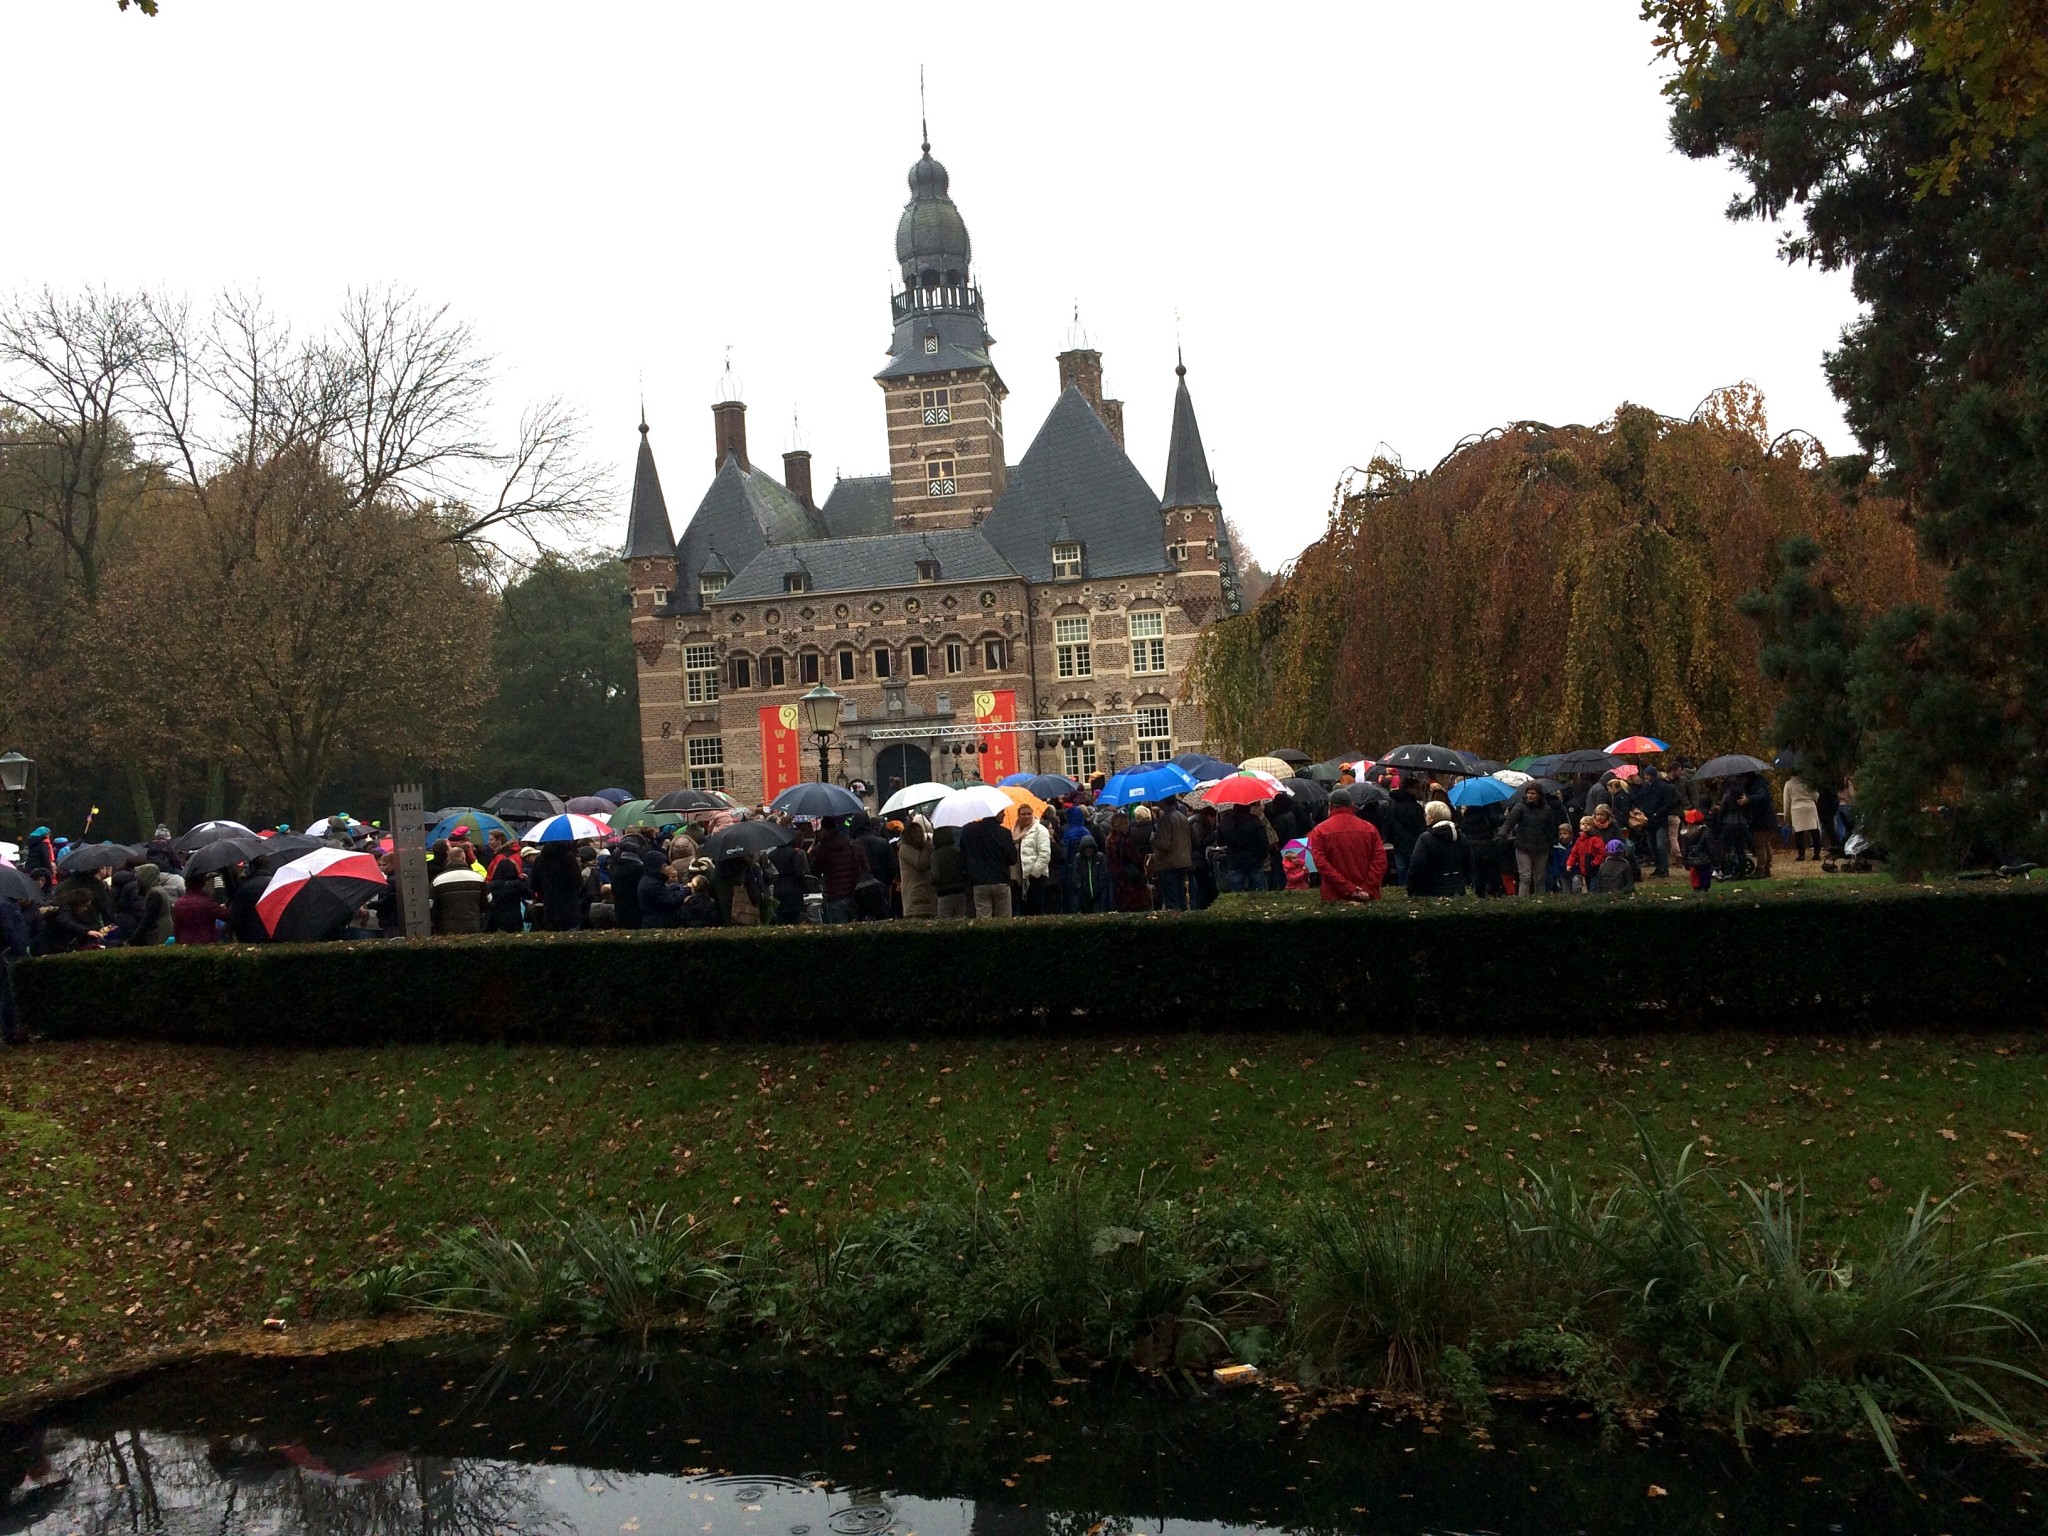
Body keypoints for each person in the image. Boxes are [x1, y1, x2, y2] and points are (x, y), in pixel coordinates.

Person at [1306, 788, 1387, 903]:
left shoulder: (1320, 831)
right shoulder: (1369, 828)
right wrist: (1366, 888)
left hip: (1334, 895)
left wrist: (1349, 888)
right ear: (1352, 805)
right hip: (1368, 895)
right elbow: (1380, 861)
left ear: (1331, 806)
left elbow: (1322, 865)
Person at [1501, 782, 1558, 897]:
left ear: (1539, 795)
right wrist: (1502, 834)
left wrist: (1551, 843)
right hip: (1523, 845)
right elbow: (1509, 822)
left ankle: (1541, 901)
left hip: (1541, 846)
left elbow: (1551, 828)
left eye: (1533, 793)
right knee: (1525, 877)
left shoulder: (1546, 809)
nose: (1530, 796)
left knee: (1539, 878)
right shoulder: (1520, 807)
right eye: (1528, 793)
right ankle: (1523, 903)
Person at [1405, 800, 1473, 898]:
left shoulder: (1426, 838)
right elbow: (1469, 862)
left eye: (1426, 815)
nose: (1425, 817)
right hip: (1458, 888)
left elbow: (1417, 865)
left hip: (1431, 890)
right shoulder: (1461, 836)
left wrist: (1411, 889)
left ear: (1431, 817)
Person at [958, 811, 1017, 919]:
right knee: (1004, 920)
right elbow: (1013, 859)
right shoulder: (1004, 833)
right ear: (994, 813)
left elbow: (963, 856)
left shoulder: (969, 831)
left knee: (984, 920)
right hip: (1000, 879)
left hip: (979, 881)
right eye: (1002, 812)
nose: (1004, 815)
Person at [811, 817, 869, 925]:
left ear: (824, 829)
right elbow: (866, 868)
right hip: (855, 895)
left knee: (839, 931)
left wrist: (813, 849)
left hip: (834, 896)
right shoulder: (853, 845)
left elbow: (815, 871)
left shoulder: (823, 849)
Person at [1634, 766, 1680, 877]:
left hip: (1660, 820)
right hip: (1648, 821)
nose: (1646, 777)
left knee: (1660, 845)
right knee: (1652, 846)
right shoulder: (1644, 788)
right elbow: (1640, 800)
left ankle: (1664, 868)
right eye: (1645, 775)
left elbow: (1668, 803)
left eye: (1648, 775)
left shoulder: (1663, 787)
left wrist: (1658, 813)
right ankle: (1658, 866)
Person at [1148, 798, 1193, 910]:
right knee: (1181, 896)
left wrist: (1154, 839)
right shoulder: (1182, 817)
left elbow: (1164, 845)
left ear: (1163, 802)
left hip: (1168, 864)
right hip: (1183, 861)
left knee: (1172, 899)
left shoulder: (1165, 820)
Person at [1384, 777, 1427, 883]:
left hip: (1398, 844)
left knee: (1402, 871)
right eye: (1417, 788)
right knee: (1414, 872)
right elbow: (1420, 826)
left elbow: (1387, 823)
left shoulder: (1392, 805)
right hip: (1413, 844)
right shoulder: (1414, 807)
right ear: (1410, 789)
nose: (1419, 791)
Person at [1105, 811, 1150, 912]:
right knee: (1135, 906)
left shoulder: (1109, 839)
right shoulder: (1125, 841)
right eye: (1125, 823)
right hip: (1130, 878)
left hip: (1117, 878)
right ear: (1118, 825)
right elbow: (1136, 858)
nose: (1128, 825)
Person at [170, 876, 231, 946]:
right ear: (202, 884)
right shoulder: (207, 902)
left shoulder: (179, 903)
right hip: (206, 942)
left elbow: (177, 927)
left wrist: (178, 942)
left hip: (185, 943)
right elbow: (226, 915)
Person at [1014, 806, 1052, 915]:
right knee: (1023, 910)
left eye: (1029, 813)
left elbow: (1045, 854)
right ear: (1019, 816)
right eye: (1023, 814)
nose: (1027, 816)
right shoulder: (1015, 832)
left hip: (1036, 877)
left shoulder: (1040, 830)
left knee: (1036, 909)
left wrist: (1034, 873)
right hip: (1020, 877)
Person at [127, 863, 175, 946]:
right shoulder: (158, 890)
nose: (137, 881)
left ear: (145, 877)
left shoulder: (154, 893)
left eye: (138, 878)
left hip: (159, 932)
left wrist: (133, 940)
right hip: (164, 929)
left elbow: (148, 919)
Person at [637, 857, 688, 927]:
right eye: (664, 866)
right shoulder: (653, 884)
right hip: (657, 922)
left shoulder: (650, 880)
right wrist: (687, 892)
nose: (665, 869)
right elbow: (670, 902)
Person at [486, 854, 530, 933]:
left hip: (495, 919)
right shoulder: (517, 884)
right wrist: (525, 881)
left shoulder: (490, 886)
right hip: (514, 919)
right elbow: (530, 895)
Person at [931, 824, 967, 919]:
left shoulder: (937, 854)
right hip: (960, 890)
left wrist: (931, 882)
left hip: (944, 892)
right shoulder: (957, 852)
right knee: (960, 919)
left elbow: (935, 876)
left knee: (944, 921)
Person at [1784, 774, 1822, 861]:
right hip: (1810, 807)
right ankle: (1817, 853)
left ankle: (1801, 855)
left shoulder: (1789, 784)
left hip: (1797, 809)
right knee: (1814, 831)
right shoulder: (1808, 782)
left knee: (1798, 833)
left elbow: (1787, 801)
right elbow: (1816, 795)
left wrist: (1786, 815)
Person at [1566, 816, 1606, 894]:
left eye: (1588, 824)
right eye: (1583, 824)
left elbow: (1602, 853)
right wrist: (1570, 863)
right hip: (1584, 869)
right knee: (1588, 887)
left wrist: (1594, 863)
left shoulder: (1596, 839)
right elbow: (1574, 853)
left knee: (1594, 889)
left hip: (1594, 869)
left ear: (1592, 826)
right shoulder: (1580, 840)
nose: (1585, 826)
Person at [1679, 808, 1716, 891]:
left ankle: (1696, 888)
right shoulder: (1706, 831)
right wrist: (1714, 859)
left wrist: (1685, 861)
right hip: (1705, 859)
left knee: (1694, 875)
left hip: (1691, 860)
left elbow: (1684, 850)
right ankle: (1704, 888)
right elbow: (1711, 847)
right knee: (1705, 875)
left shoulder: (1685, 835)